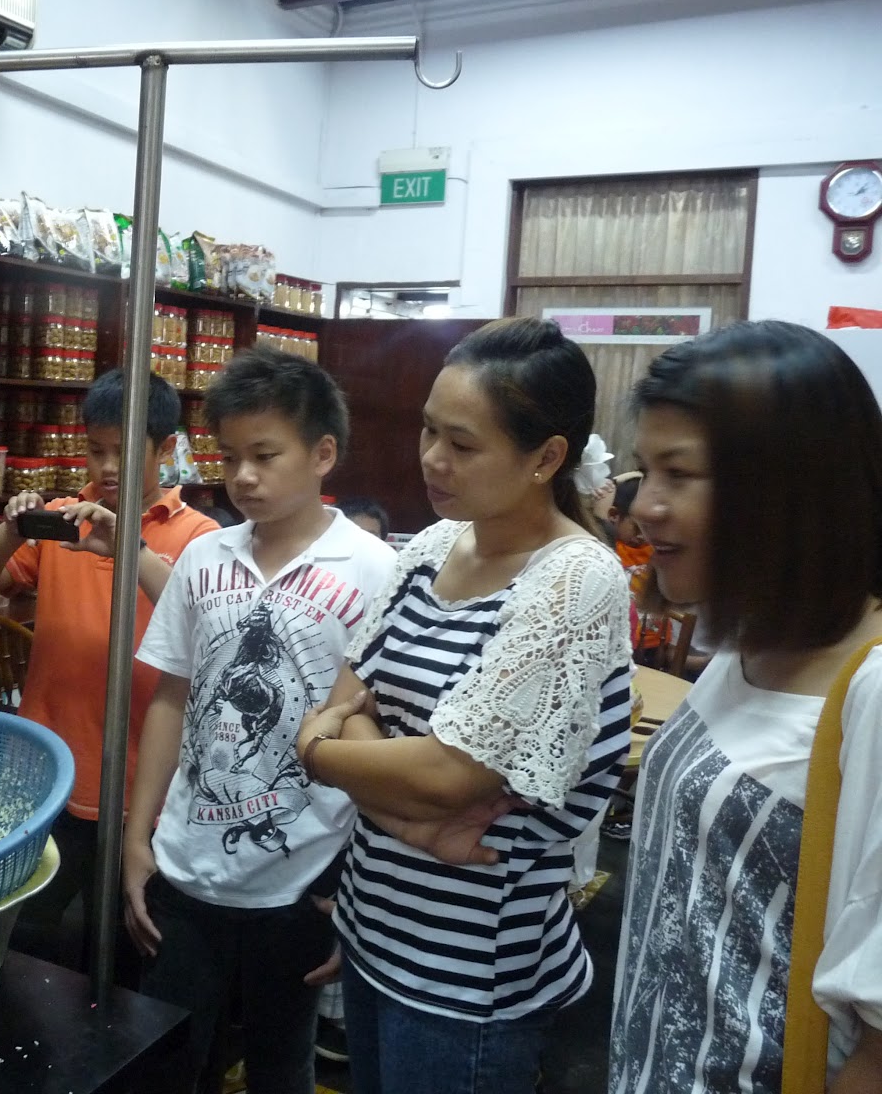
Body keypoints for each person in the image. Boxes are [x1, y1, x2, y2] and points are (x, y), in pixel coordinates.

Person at [298, 317, 632, 1094]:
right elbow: (349, 697)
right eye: (428, 431)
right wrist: (409, 809)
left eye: (462, 443)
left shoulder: (575, 579)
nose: (432, 459)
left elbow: (448, 775)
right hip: (373, 922)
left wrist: (317, 752)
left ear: (546, 458)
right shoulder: (432, 546)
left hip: (469, 973)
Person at [609, 321, 882, 1092]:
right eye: (645, 471)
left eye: (679, 474)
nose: (646, 506)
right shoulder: (748, 643)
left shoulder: (870, 691)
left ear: (788, 490)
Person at [124, 347, 397, 1094]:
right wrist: (137, 837)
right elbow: (172, 698)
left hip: (302, 878)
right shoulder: (203, 557)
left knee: (281, 1066)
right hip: (186, 869)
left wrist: (354, 886)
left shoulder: (375, 571)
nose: (242, 476)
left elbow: (381, 739)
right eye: (229, 456)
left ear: (323, 454)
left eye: (265, 455)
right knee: (170, 1060)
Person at [0, 368, 216, 971]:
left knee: (130, 954)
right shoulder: (63, 520)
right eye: (96, 449)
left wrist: (130, 551)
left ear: (167, 449)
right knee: (20, 942)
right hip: (46, 778)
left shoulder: (200, 537)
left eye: (125, 451)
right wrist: (11, 530)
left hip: (145, 792)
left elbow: (211, 628)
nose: (108, 466)